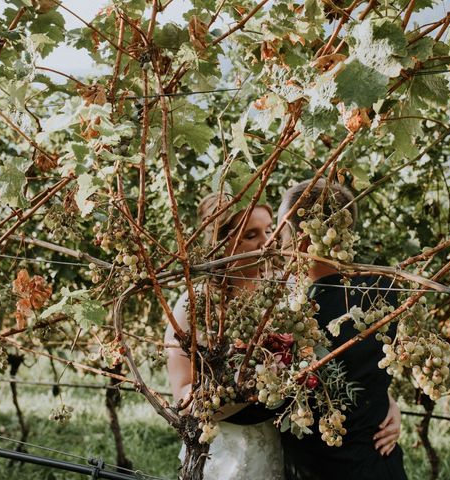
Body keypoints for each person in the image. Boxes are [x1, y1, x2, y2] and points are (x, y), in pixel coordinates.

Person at [277, 179, 408, 480]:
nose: (276, 242)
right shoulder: (386, 291)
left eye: (281, 232)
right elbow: (369, 374)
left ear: (303, 239)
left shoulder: (293, 314)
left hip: (319, 470)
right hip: (381, 465)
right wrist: (387, 400)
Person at [164, 192, 286, 479]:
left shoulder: (285, 293)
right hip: (224, 453)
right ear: (221, 244)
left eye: (270, 230)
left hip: (283, 447)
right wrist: (250, 388)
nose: (267, 242)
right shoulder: (193, 306)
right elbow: (183, 401)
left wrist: (386, 404)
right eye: (251, 235)